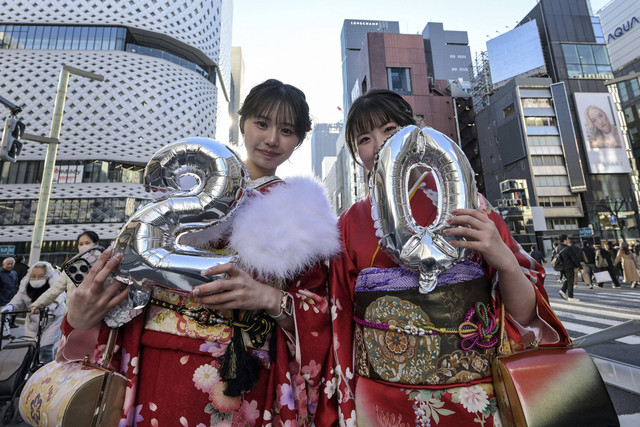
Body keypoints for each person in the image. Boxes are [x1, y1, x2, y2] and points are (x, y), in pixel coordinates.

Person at [56, 79, 339, 426]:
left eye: (287, 130)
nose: (271, 139)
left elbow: (322, 308)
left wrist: (271, 299)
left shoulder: (306, 214)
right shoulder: (190, 188)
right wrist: (85, 313)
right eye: (261, 124)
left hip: (242, 370)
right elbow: (130, 270)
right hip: (155, 355)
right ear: (242, 121)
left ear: (300, 138)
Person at [317, 90, 568, 426]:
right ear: (356, 153)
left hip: (470, 393)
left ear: (416, 134)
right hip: (381, 399)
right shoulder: (349, 223)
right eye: (365, 139)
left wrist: (504, 260)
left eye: (390, 130)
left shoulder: (469, 204)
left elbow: (525, 315)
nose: (378, 145)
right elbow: (340, 318)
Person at [1, 262, 65, 363]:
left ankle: (46, 372)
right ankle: (33, 371)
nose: (36, 279)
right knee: (31, 348)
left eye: (40, 276)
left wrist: (51, 306)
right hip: (33, 320)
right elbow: (19, 298)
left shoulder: (54, 281)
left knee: (46, 348)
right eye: (33, 276)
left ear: (47, 275)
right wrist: (10, 306)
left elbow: (59, 295)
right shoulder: (26, 284)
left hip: (53, 318)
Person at [29, 231, 100, 316]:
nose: (83, 246)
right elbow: (57, 287)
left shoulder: (105, 262)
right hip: (73, 315)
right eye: (80, 244)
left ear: (96, 244)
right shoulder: (70, 265)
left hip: (96, 314)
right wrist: (38, 304)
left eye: (87, 243)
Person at [557, 235, 581, 300]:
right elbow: (574, 258)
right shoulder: (568, 248)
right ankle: (570, 297)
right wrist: (580, 267)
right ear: (565, 240)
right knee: (571, 281)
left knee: (568, 279)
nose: (568, 240)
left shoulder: (558, 247)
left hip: (562, 267)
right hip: (569, 266)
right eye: (567, 239)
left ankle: (563, 290)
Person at [1, 257, 19, 336]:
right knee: (4, 317)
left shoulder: (14, 273)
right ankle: (5, 333)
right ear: (3, 264)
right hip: (1, 298)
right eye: (8, 264)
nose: (10, 265)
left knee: (5, 317)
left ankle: (5, 333)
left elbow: (15, 285)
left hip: (9, 299)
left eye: (11, 264)